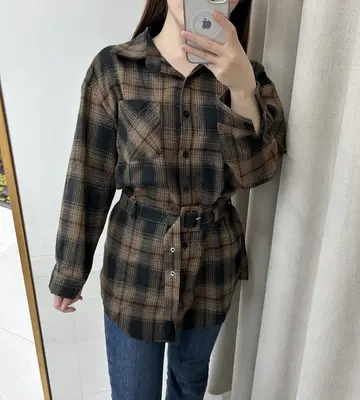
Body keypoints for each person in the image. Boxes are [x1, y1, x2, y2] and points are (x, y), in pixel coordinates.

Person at [49, 0, 286, 398]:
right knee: (133, 391)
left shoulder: (250, 76)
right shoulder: (114, 70)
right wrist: (70, 269)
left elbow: (257, 174)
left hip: (211, 268)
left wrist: (242, 90)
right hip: (136, 269)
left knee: (189, 382)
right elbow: (89, 175)